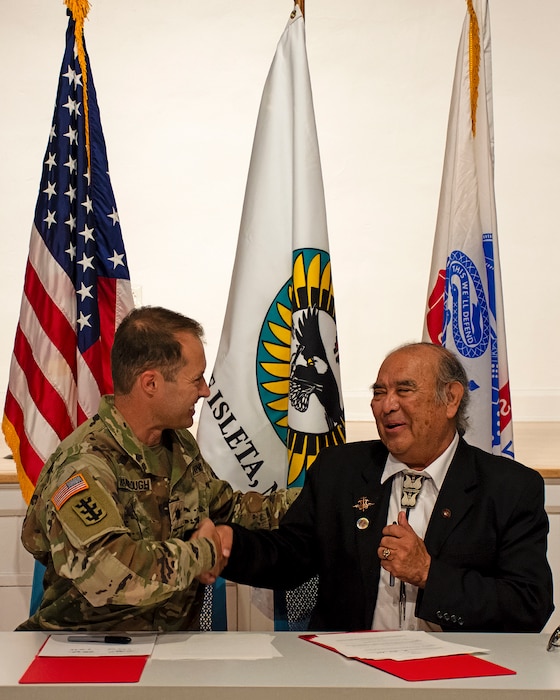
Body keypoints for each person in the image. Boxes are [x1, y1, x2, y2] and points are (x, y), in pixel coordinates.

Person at [219, 342, 554, 632]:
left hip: (457, 674)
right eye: (379, 392)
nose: (386, 405)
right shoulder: (340, 470)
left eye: (403, 391)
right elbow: (290, 557)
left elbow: (528, 606)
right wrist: (231, 546)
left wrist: (428, 573)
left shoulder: (509, 487)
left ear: (450, 399)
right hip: (349, 672)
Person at [17, 306, 297, 632]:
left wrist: (324, 496)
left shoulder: (176, 445)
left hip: (167, 654)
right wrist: (203, 552)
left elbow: (228, 509)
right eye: (196, 379)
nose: (205, 391)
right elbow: (112, 572)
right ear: (150, 383)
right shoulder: (84, 465)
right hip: (88, 658)